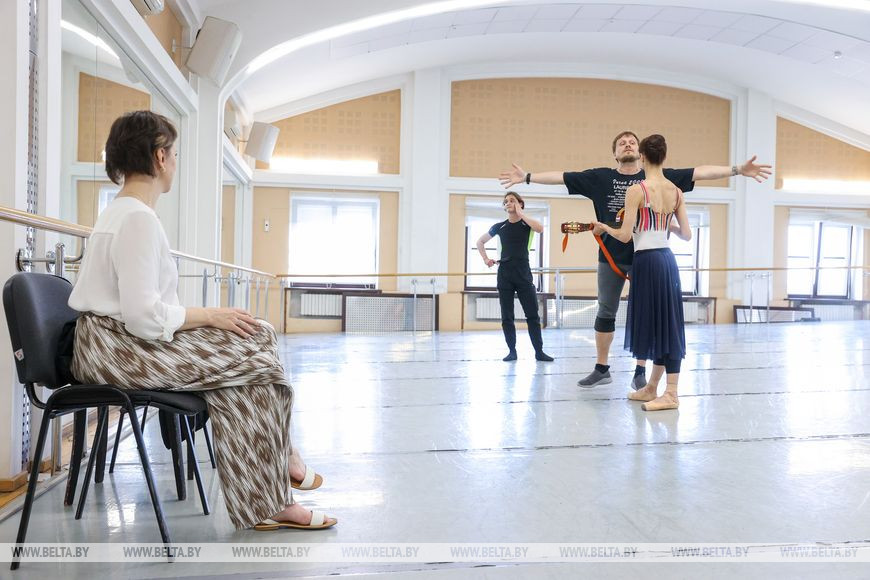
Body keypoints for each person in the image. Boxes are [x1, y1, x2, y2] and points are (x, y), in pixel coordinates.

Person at [68, 110, 336, 532]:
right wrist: (209, 316)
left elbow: (144, 310)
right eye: (173, 154)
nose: (175, 162)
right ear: (160, 156)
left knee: (251, 358)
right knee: (258, 346)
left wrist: (208, 322)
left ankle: (273, 492)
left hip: (113, 344)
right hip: (117, 350)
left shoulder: (123, 212)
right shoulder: (137, 219)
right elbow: (143, 317)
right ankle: (281, 469)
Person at [499, 131, 771, 389]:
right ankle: (602, 368)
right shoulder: (600, 177)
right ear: (615, 153)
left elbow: (699, 172)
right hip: (611, 257)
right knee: (605, 311)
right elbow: (561, 177)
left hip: (646, 257)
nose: (627, 144)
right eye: (622, 143)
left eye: (632, 141)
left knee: (643, 312)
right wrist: (527, 177)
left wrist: (738, 170)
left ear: (641, 153)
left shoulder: (657, 177)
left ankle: (640, 371)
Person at [594, 134, 690, 411]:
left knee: (661, 325)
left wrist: (604, 228)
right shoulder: (676, 191)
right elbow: (686, 234)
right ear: (664, 157)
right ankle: (652, 387)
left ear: (643, 157)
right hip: (667, 261)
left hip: (647, 261)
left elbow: (625, 236)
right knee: (664, 322)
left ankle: (671, 393)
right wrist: (663, 224)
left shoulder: (637, 190)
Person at [476, 192, 554, 362]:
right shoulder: (499, 226)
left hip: (523, 273)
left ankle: (539, 352)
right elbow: (480, 242)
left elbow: (540, 228)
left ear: (520, 203)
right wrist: (486, 259)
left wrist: (521, 214)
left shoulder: (527, 224)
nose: (508, 203)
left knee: (532, 315)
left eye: (512, 200)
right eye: (506, 201)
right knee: (507, 316)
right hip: (505, 274)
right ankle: (512, 351)